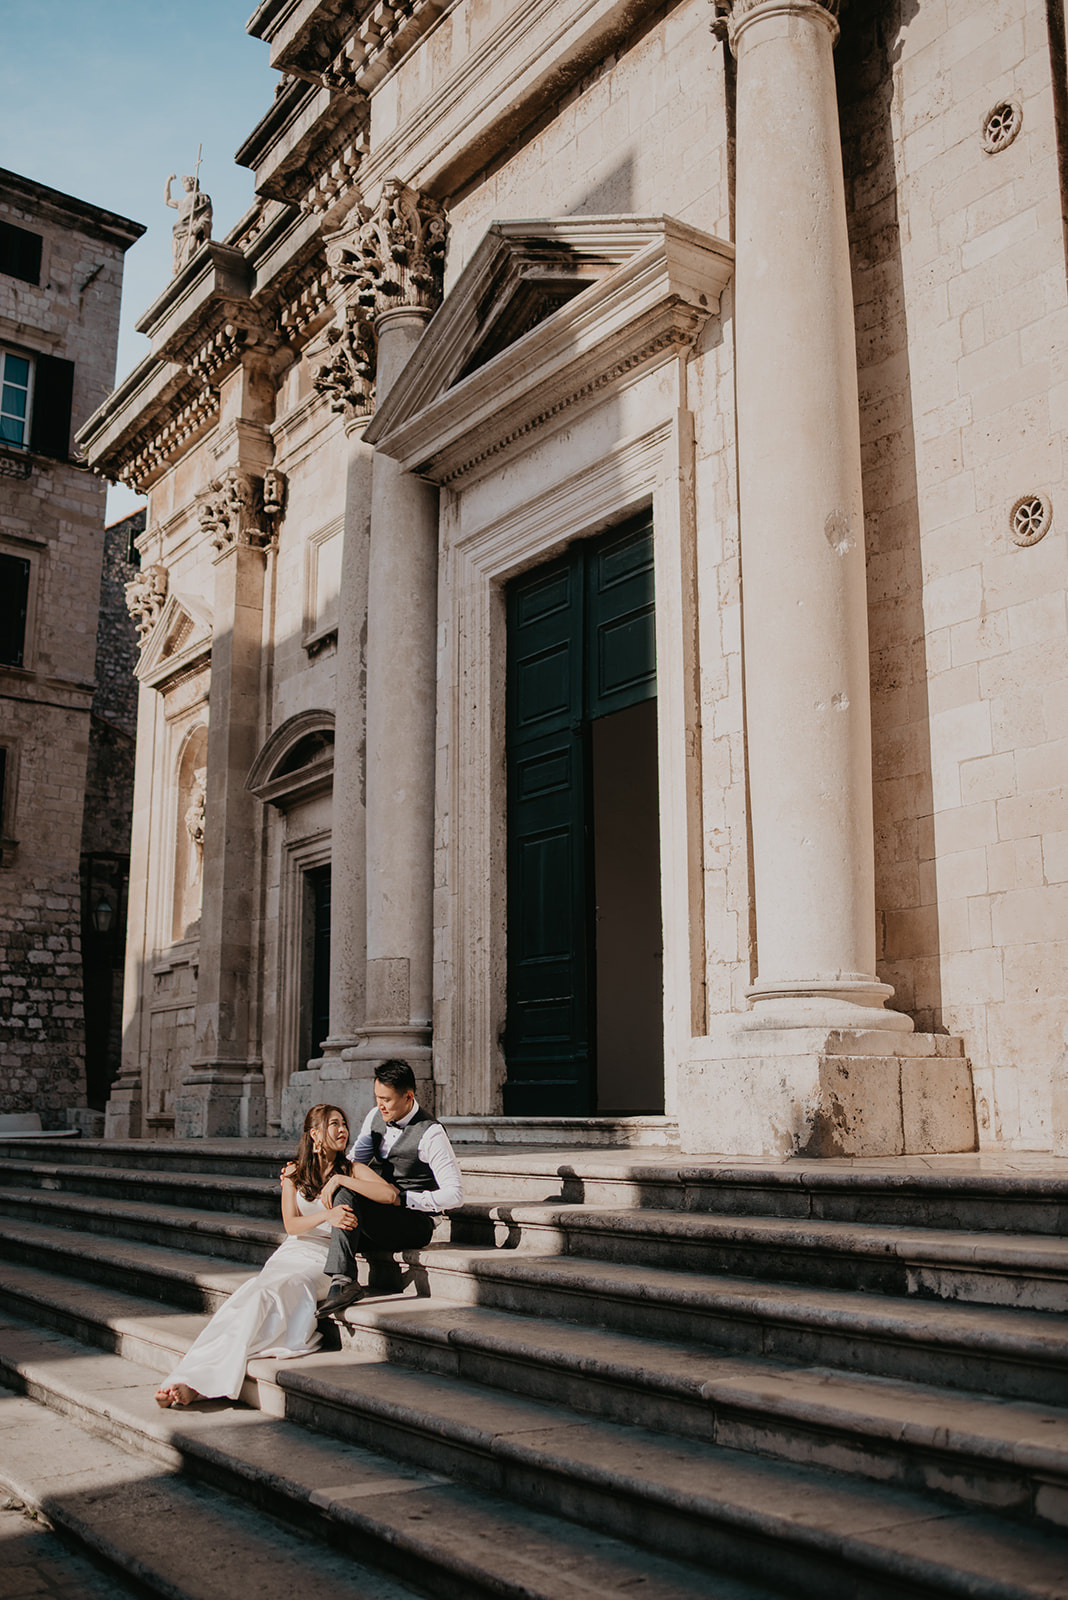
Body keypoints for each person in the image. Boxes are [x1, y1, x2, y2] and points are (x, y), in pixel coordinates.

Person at [153, 1103, 395, 1407]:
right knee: (251, 1295)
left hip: (324, 1260)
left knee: (278, 1290)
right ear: (315, 1134)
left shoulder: (352, 1169)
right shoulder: (293, 1173)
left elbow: (390, 1195)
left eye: (344, 1123)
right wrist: (326, 1216)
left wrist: (343, 1181)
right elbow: (292, 1224)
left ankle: (201, 1384)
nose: (343, 1129)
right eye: (334, 1124)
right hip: (291, 1253)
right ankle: (189, 1375)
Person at [318, 1059, 463, 1315]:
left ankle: (343, 1280)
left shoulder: (431, 1134)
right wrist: (303, 1172)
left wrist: (405, 1199)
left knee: (345, 1194)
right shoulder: (375, 1116)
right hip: (381, 1213)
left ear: (408, 1097)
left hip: (414, 1223)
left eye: (386, 1099)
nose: (379, 1105)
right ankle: (335, 1277)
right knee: (331, 1211)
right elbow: (352, 1161)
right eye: (377, 1097)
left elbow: (455, 1195)